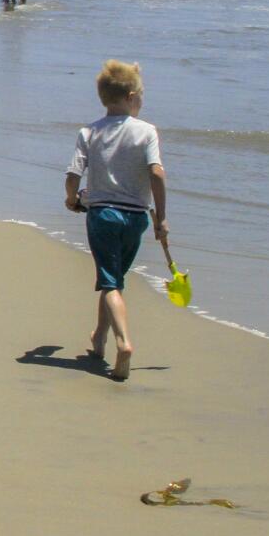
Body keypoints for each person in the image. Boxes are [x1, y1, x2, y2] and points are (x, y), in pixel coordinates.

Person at [64, 60, 170, 381]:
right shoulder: (147, 131)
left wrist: (72, 198)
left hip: (102, 215)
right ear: (131, 97)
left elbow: (73, 174)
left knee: (110, 283)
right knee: (114, 281)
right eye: (140, 97)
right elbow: (156, 173)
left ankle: (123, 342)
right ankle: (99, 338)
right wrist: (161, 218)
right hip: (137, 217)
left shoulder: (90, 132)